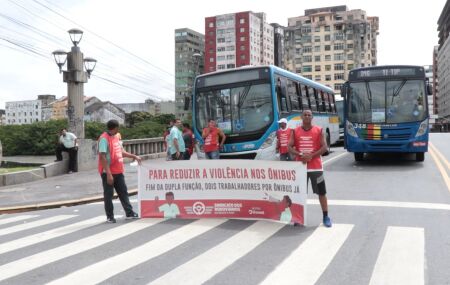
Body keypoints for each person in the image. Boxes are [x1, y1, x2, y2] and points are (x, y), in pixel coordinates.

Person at [288, 109, 332, 227]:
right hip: (300, 168)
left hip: (316, 168)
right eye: (305, 115)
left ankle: (326, 216)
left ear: (312, 117)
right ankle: (298, 217)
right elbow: (289, 147)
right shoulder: (295, 131)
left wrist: (311, 156)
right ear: (301, 117)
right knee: (300, 193)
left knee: (321, 193)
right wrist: (300, 155)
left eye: (309, 115)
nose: (307, 116)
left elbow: (325, 147)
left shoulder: (319, 130)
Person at [98, 119, 142, 223]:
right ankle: (110, 216)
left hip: (118, 170)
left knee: (123, 192)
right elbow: (102, 157)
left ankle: (129, 213)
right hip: (108, 172)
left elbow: (121, 152)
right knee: (108, 195)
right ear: (116, 128)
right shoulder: (104, 139)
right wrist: (108, 174)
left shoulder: (116, 137)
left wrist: (134, 156)